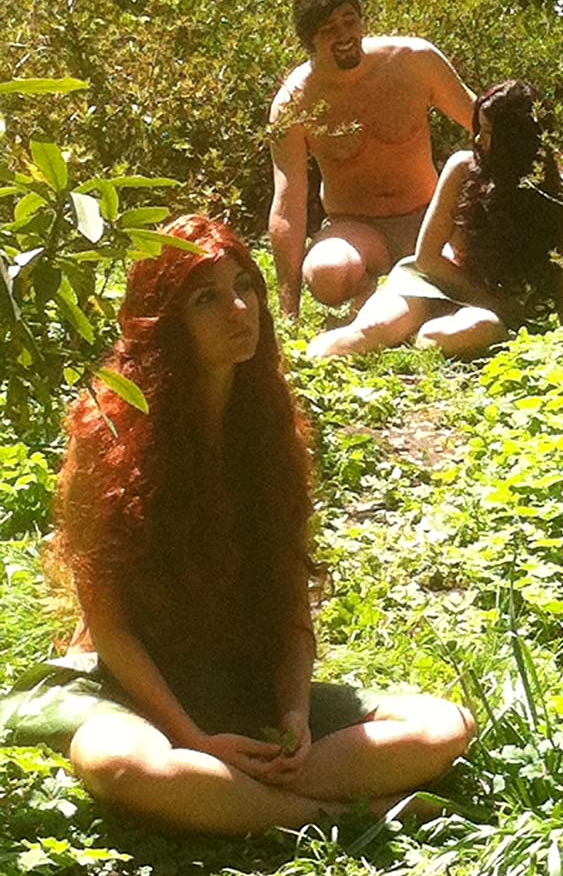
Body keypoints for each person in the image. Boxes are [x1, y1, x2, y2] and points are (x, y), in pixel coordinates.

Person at [0, 216, 475, 836]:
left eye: (244, 287)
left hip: (242, 682)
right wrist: (191, 737)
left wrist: (295, 715)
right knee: (116, 764)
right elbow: (110, 628)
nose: (238, 309)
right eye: (207, 298)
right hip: (132, 689)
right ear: (165, 322)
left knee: (444, 726)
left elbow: (290, 604)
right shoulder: (107, 434)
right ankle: (339, 815)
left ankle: (231, 794)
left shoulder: (271, 428)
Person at [307, 80, 563, 360]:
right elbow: (427, 258)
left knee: (475, 329)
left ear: (517, 138)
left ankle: (418, 335)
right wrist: (489, 300)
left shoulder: (562, 192)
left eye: (489, 133)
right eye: (479, 129)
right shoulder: (463, 168)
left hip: (485, 310)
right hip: (433, 281)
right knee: (371, 331)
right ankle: (302, 363)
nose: (478, 140)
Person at [268, 0, 475, 318]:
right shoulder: (295, 102)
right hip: (358, 230)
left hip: (431, 217)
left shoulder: (413, 61)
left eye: (349, 22)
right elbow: (288, 205)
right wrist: (290, 311)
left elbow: (483, 124)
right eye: (329, 30)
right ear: (309, 40)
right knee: (327, 274)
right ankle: (374, 291)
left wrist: (546, 171)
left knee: (478, 262)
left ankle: (411, 297)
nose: (344, 36)